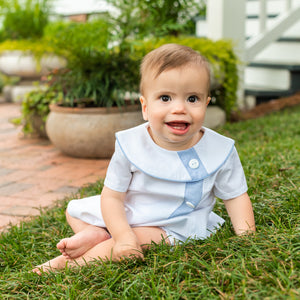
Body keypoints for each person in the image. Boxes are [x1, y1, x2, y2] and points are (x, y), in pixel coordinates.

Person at [33, 43, 255, 275]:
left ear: (206, 104)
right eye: (166, 98)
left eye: (192, 99)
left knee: (140, 238)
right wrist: (122, 233)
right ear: (145, 107)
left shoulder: (220, 149)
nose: (179, 108)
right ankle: (100, 233)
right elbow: (112, 198)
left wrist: (247, 236)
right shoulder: (131, 145)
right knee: (75, 211)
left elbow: (236, 197)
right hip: (132, 209)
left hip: (174, 223)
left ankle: (67, 264)